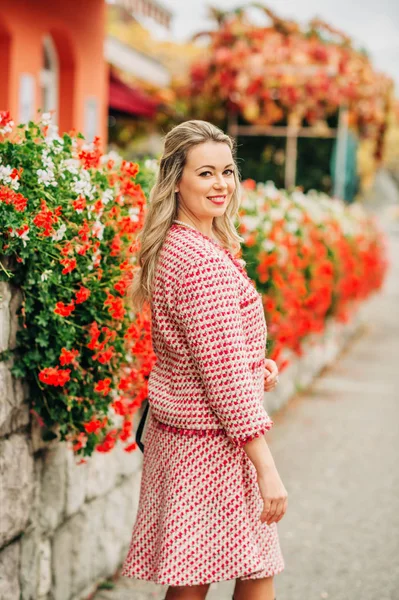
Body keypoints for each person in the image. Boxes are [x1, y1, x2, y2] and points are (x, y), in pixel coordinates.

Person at [121, 120, 288, 600]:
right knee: (251, 573)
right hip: (212, 447)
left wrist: (255, 365)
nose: (221, 184)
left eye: (228, 172)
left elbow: (209, 355)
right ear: (177, 179)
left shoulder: (182, 245)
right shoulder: (201, 261)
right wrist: (266, 466)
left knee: (192, 579)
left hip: (186, 440)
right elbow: (225, 381)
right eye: (206, 173)